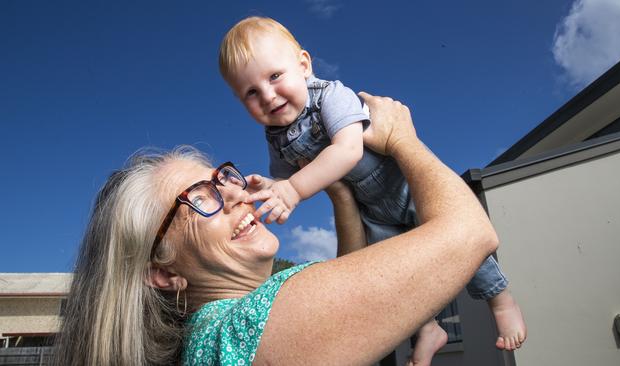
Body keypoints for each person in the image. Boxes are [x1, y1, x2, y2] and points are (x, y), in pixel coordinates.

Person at [53, 93, 499, 365]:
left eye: (220, 178)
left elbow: (349, 280)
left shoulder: (219, 341)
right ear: (164, 273)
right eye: (200, 198)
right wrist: (403, 138)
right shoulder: (242, 330)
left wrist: (340, 193)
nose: (233, 193)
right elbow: (470, 233)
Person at [218, 16, 526, 361]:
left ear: (303, 65)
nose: (268, 95)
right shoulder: (275, 137)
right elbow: (287, 176)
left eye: (275, 77)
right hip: (371, 211)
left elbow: (347, 149)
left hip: (403, 186)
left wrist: (292, 190)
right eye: (251, 93)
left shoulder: (331, 96)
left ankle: (500, 301)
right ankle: (428, 329)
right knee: (396, 274)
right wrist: (272, 186)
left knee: (461, 244)